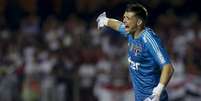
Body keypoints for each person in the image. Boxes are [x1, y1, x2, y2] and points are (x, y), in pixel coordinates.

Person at [96, 3, 174, 101]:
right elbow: (118, 25)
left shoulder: (148, 39)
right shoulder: (130, 31)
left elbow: (168, 68)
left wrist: (156, 94)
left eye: (128, 18)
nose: (124, 20)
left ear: (139, 22)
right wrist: (105, 20)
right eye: (124, 17)